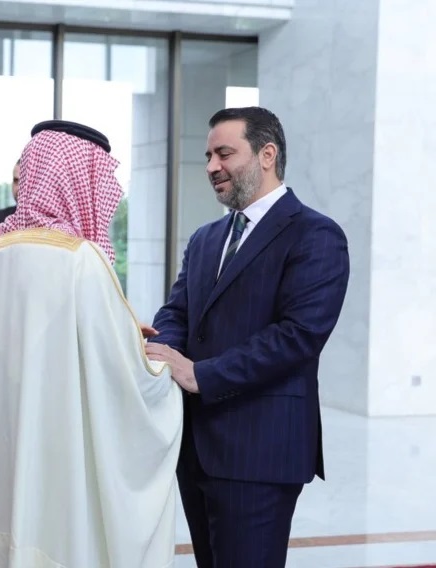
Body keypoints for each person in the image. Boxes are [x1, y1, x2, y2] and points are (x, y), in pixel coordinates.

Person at [0, 120, 183, 568]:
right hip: (56, 436)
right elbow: (112, 369)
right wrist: (161, 370)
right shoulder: (79, 258)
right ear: (76, 179)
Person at [145, 107, 350, 568]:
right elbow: (178, 311)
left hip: (261, 451)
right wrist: (160, 348)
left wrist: (200, 374)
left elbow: (298, 336)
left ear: (266, 155)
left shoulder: (316, 234)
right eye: (208, 156)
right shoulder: (205, 238)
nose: (211, 166)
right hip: (196, 449)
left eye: (224, 153)